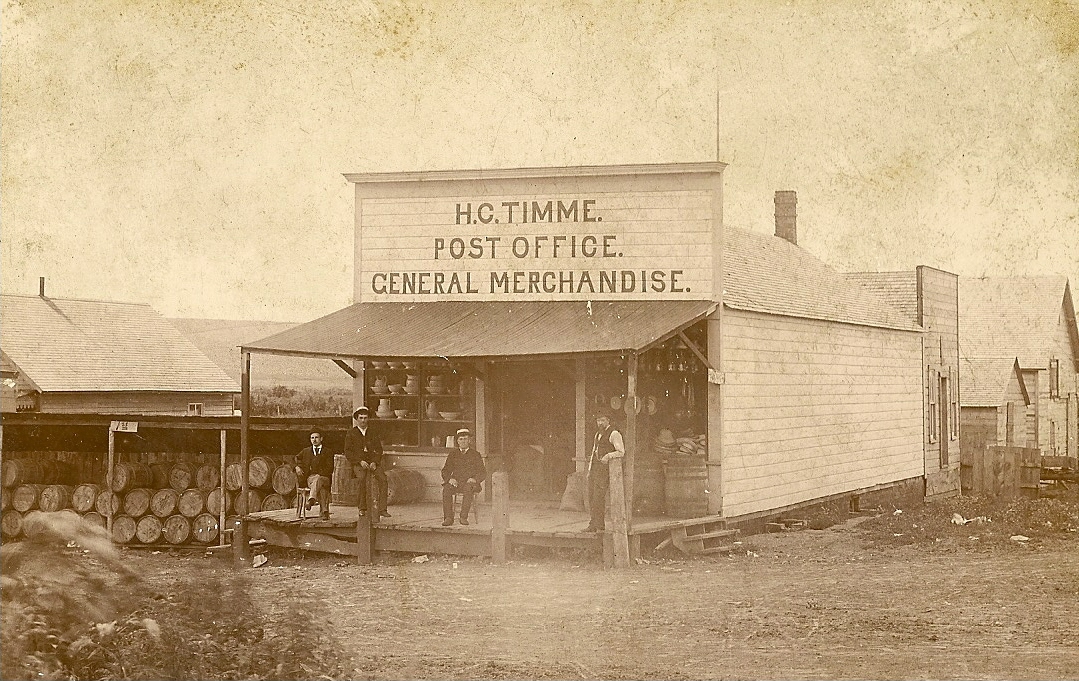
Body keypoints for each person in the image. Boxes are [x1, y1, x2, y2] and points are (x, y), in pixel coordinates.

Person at [344, 406, 389, 517]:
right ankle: (362, 507)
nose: (363, 420)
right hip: (359, 464)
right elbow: (348, 452)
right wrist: (359, 461)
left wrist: (374, 462)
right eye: (361, 418)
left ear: (368, 419)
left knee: (383, 479)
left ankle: (382, 509)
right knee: (362, 479)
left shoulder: (372, 432)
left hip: (372, 463)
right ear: (357, 419)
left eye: (365, 418)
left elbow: (379, 450)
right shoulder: (351, 433)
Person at [585, 412, 624, 532]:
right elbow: (593, 452)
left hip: (606, 470)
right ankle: (593, 525)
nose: (600, 423)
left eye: (602, 420)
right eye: (598, 421)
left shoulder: (614, 434)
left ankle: (600, 526)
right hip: (596, 469)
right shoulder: (598, 434)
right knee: (591, 496)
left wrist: (608, 456)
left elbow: (621, 452)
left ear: (608, 420)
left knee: (598, 497)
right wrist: (589, 470)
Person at [441, 427, 487, 526]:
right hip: (456, 482)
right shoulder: (453, 454)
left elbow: (483, 472)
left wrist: (474, 479)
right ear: (457, 441)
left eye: (465, 439)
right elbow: (445, 470)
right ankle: (448, 517)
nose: (463, 441)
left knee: (468, 488)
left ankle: (463, 517)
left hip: (470, 483)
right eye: (461, 439)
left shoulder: (475, 454)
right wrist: (450, 479)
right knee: (446, 489)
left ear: (469, 440)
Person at [294, 431, 333, 519]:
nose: (314, 440)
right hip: (310, 479)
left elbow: (330, 468)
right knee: (321, 488)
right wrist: (297, 467)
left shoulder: (328, 452)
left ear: (321, 439)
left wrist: (319, 475)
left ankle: (311, 500)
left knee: (318, 479)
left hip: (325, 478)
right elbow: (295, 458)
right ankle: (324, 510)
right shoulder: (306, 451)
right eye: (312, 438)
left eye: (316, 437)